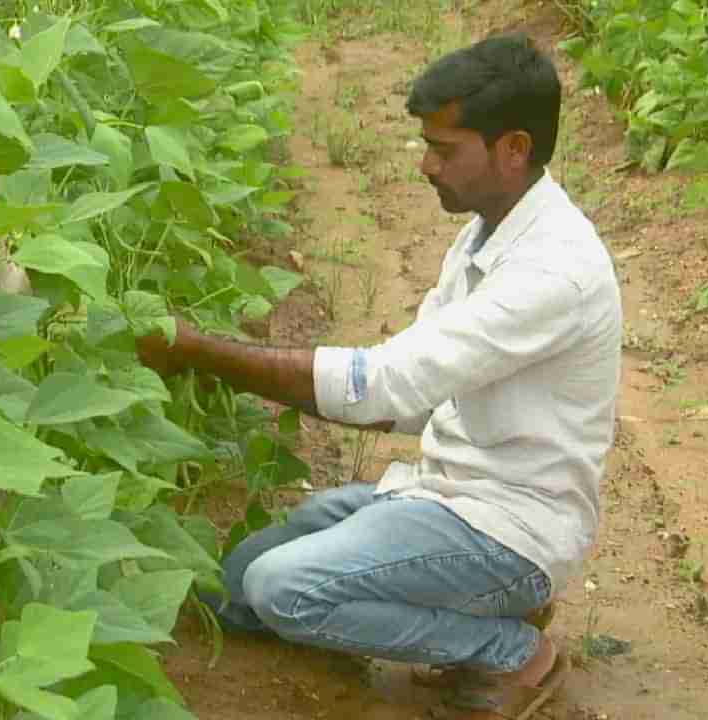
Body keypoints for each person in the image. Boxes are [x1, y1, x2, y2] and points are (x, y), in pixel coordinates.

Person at [135, 33, 622, 719]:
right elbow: (414, 398)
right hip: (443, 497)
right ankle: (483, 604)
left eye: (445, 149)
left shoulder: (552, 273)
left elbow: (386, 384)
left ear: (514, 149)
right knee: (237, 583)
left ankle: (509, 649)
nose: (425, 164)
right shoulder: (486, 231)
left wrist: (199, 352)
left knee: (282, 589)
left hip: (510, 527)